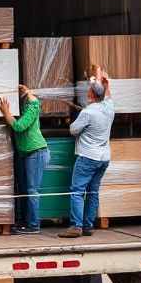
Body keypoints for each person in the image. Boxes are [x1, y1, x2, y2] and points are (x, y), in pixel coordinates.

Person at [59, 69, 115, 238]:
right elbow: (108, 96)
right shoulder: (109, 107)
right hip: (104, 158)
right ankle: (88, 225)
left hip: (88, 157)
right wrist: (106, 83)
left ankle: (76, 226)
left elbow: (73, 130)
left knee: (77, 191)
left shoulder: (87, 113)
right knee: (93, 191)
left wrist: (76, 118)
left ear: (90, 94)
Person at [0, 85, 49, 235]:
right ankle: (24, 222)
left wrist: (6, 113)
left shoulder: (33, 106)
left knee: (32, 190)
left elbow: (20, 126)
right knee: (25, 189)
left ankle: (34, 226)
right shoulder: (26, 104)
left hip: (36, 152)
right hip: (27, 154)